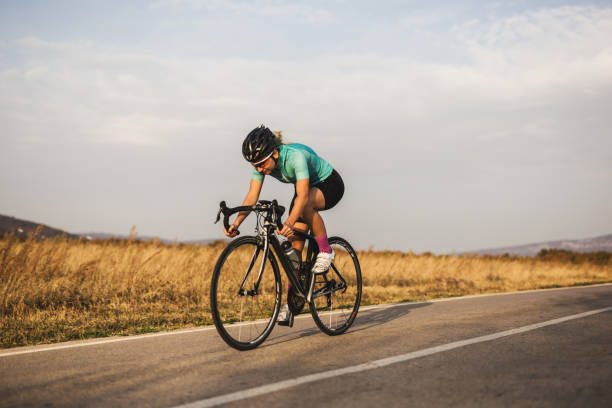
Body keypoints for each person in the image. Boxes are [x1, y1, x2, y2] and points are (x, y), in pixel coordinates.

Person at [223, 125, 345, 327]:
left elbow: (303, 196)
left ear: (275, 153)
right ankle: (291, 304)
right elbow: (252, 197)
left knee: (304, 205)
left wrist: (289, 222)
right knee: (293, 253)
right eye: (256, 166)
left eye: (262, 164)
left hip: (330, 184)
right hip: (305, 191)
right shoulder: (262, 165)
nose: (260, 169)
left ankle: (325, 249)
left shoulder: (296, 156)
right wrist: (236, 223)